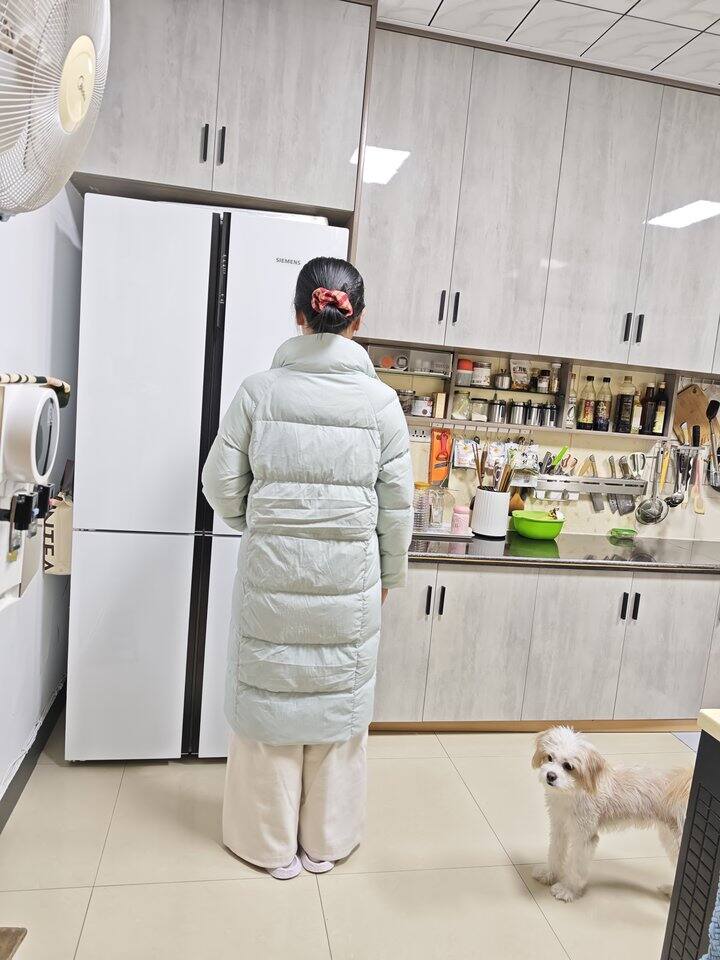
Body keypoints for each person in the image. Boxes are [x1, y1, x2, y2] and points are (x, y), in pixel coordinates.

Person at [201, 256, 414, 879]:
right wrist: (388, 576)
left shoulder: (258, 392)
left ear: (299, 315)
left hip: (271, 577)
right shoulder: (382, 404)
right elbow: (397, 509)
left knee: (269, 705)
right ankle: (325, 842)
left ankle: (266, 846)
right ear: (357, 320)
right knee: (335, 705)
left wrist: (259, 525)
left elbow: (219, 484)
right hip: (350, 585)